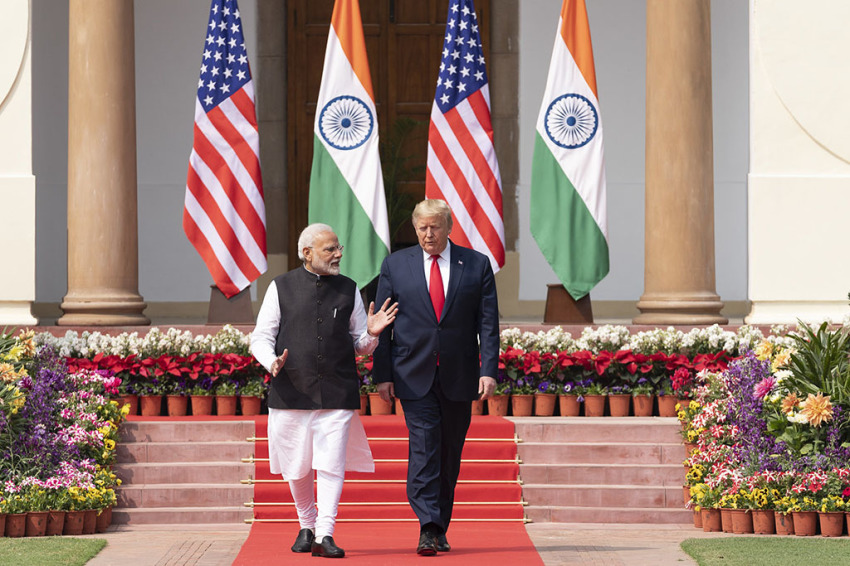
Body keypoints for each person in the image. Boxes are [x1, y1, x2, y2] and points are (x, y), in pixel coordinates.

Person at [250, 223, 398, 559]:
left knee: (331, 463)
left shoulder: (349, 288)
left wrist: (373, 334)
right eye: (330, 249)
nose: (338, 254)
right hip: (291, 391)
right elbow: (260, 336)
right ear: (307, 253)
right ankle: (307, 525)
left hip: (337, 391)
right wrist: (271, 361)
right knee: (297, 463)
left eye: (338, 247)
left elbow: (360, 344)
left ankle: (325, 534)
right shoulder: (281, 286)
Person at [372, 199, 499, 555]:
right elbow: (383, 325)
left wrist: (489, 370)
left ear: (449, 227)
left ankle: (440, 524)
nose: (429, 234)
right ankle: (427, 525)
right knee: (425, 446)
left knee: (449, 453)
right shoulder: (396, 265)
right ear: (415, 229)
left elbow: (487, 323)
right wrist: (383, 373)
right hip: (413, 373)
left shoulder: (475, 264)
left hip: (460, 374)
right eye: (422, 228)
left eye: (435, 227)